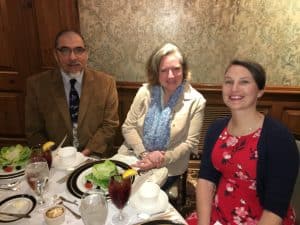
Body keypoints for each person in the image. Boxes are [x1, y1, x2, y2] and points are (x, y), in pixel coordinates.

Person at [195, 60, 299, 225]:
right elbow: (206, 180)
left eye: (244, 82)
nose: (234, 88)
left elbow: (276, 207)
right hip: (217, 215)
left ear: (260, 91)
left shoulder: (278, 137)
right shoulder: (216, 129)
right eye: (229, 81)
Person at [118, 43, 206, 190]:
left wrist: (161, 159)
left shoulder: (197, 101)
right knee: (116, 187)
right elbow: (128, 127)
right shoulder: (144, 92)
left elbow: (190, 143)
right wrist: (145, 154)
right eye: (164, 70)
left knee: (143, 194)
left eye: (176, 69)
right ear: (155, 73)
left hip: (169, 165)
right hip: (134, 154)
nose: (171, 76)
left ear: (184, 69)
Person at [25, 29, 119, 157]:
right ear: (55, 54)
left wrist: (85, 153)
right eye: (65, 50)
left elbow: (110, 126)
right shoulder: (37, 85)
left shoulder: (106, 83)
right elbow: (33, 131)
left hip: (94, 156)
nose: (72, 57)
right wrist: (52, 155)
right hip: (55, 159)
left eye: (78, 50)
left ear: (86, 53)